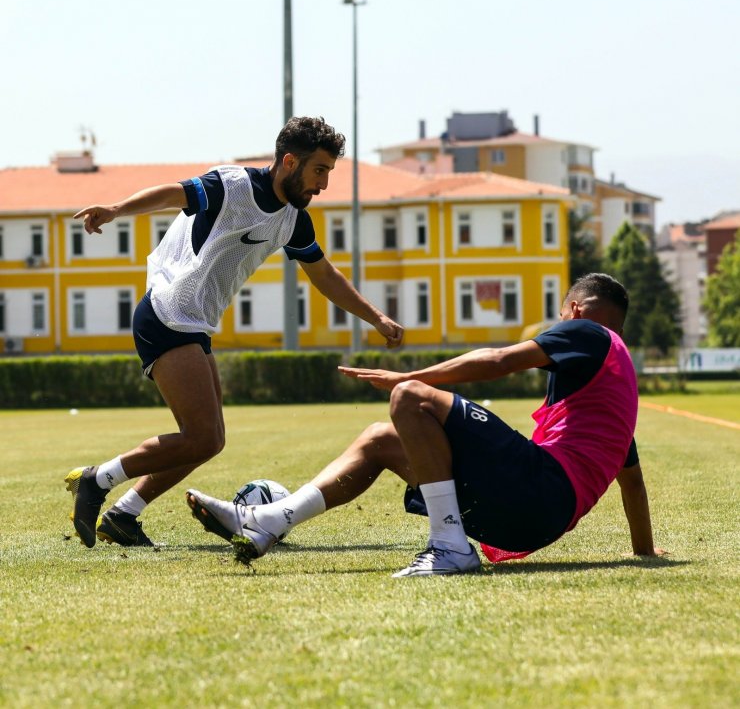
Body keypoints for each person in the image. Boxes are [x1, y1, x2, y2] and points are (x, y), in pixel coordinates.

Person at [65, 116, 404, 549]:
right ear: (288, 162)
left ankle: (122, 514)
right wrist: (115, 209)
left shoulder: (294, 219)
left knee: (209, 441)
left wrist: (375, 317)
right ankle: (98, 479)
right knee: (201, 435)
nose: (323, 184)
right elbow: (173, 192)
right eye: (319, 170)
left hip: (195, 323)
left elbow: (324, 275)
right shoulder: (233, 185)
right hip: (168, 313)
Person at [186, 273, 665, 577]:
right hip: (533, 519)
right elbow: (633, 481)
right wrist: (643, 553)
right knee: (379, 440)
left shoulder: (586, 331)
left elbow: (498, 360)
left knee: (412, 398)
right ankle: (268, 522)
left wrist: (407, 376)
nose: (558, 327)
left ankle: (450, 547)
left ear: (576, 311)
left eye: (560, 318)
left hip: (537, 490)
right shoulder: (612, 391)